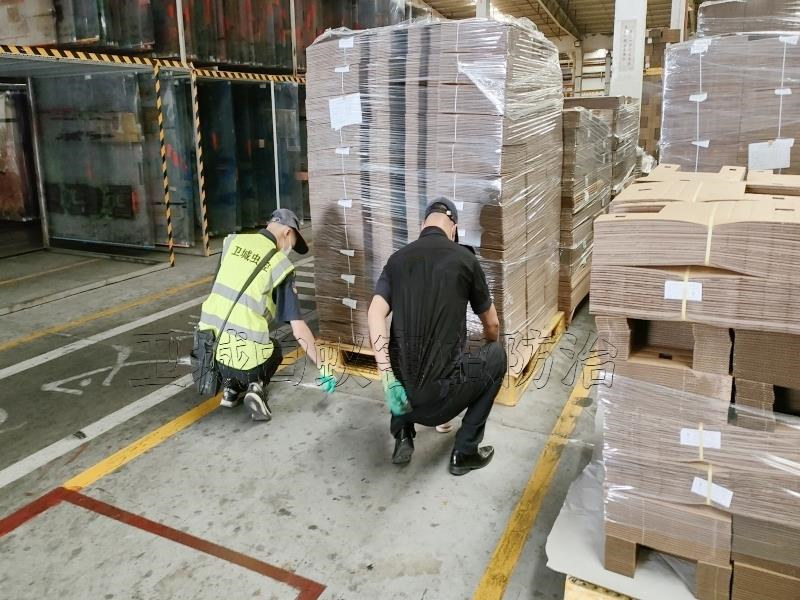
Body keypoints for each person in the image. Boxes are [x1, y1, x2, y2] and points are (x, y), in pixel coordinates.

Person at [367, 198, 508, 475]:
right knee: (497, 355)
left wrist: (387, 377)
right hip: (443, 400)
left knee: (399, 349)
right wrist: (484, 357)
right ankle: (465, 451)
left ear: (422, 225)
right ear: (453, 229)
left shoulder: (397, 260)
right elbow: (492, 325)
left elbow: (374, 313)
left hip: (404, 402)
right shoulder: (465, 259)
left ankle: (403, 434)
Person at [198, 208, 335, 421]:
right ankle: (256, 387)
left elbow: (219, 287)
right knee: (274, 350)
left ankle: (230, 390)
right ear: (287, 233)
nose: (288, 249)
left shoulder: (233, 242)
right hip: (244, 359)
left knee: (234, 343)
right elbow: (298, 328)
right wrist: (323, 366)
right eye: (291, 244)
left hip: (208, 349)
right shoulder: (279, 264)